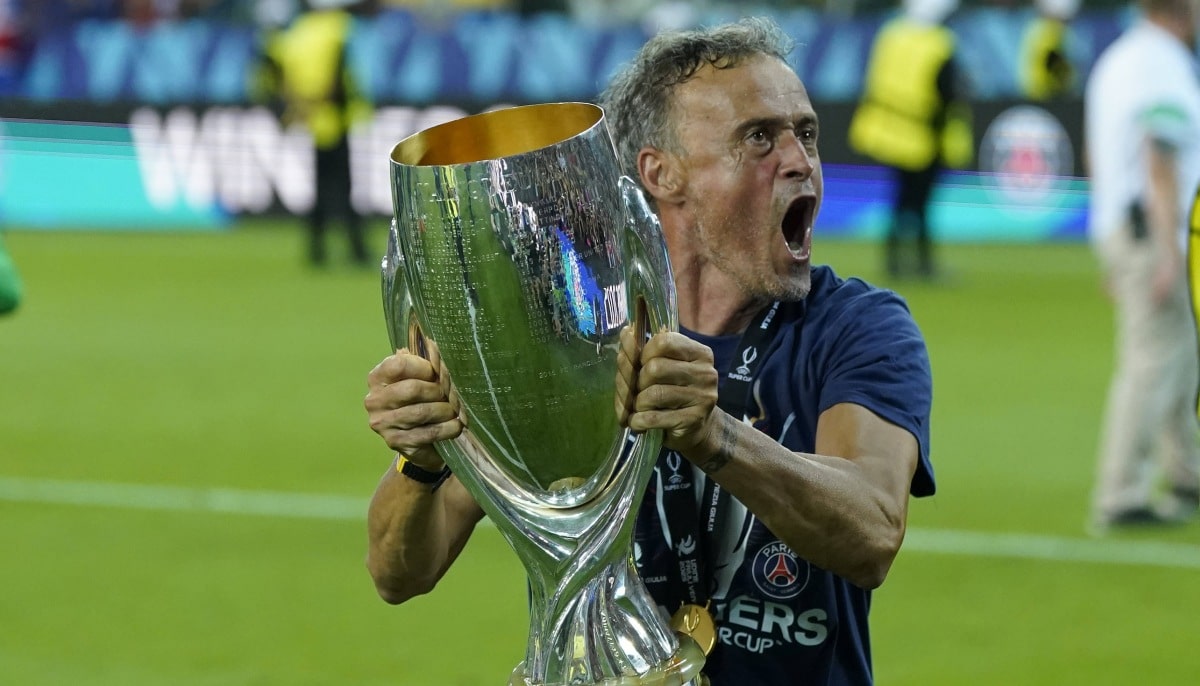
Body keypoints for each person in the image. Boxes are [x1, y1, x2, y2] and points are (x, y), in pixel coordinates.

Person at [362, 17, 935, 685]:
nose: (799, 161)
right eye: (759, 138)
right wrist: (427, 456)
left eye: (805, 133)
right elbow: (399, 574)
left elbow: (872, 533)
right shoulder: (570, 341)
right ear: (661, 174)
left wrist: (712, 435)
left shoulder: (856, 327)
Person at [1085, 0, 1200, 532]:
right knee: (1154, 359)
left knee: (1181, 352)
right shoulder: (1161, 64)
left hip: (1128, 226)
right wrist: (1168, 249)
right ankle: (1122, 493)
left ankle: (1187, 472)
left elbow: (1098, 154)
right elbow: (1160, 154)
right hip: (1156, 230)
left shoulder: (1118, 59)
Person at [847, 0, 973, 281]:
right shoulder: (939, 43)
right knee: (920, 203)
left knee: (900, 200)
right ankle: (923, 263)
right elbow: (948, 92)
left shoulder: (891, 35)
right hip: (925, 135)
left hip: (891, 131)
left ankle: (894, 261)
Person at [266, 0, 372, 267]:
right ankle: (355, 250)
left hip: (314, 119)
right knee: (341, 187)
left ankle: (317, 249)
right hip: (334, 118)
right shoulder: (336, 28)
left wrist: (296, 106)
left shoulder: (297, 32)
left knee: (323, 187)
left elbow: (275, 68)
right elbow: (337, 74)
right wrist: (327, 98)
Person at [1019, 0, 1081, 102]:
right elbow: (1054, 66)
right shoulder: (1052, 32)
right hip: (1047, 97)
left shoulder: (1036, 28)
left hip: (1036, 95)